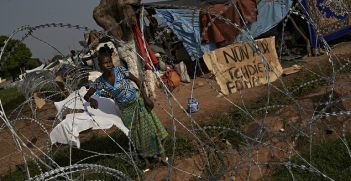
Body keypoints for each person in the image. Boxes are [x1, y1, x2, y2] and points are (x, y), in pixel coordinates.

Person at [83, 52, 168, 172]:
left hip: (137, 101)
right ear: (99, 65)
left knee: (151, 127)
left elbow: (138, 81)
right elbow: (86, 95)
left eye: (110, 61)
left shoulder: (120, 71)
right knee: (136, 134)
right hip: (125, 109)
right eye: (105, 63)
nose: (109, 64)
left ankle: (161, 155)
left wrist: (146, 98)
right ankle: (146, 161)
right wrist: (91, 100)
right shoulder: (100, 81)